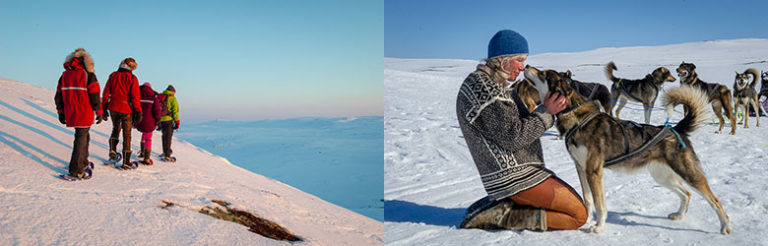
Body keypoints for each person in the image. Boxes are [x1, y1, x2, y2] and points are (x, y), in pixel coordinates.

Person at [456, 30, 587, 231]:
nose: (522, 66)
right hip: (512, 178)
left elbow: (519, 121)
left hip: (520, 173)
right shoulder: (484, 89)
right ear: (501, 59)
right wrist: (546, 112)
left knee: (576, 207)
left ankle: (504, 204)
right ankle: (504, 217)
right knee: (578, 216)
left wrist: (548, 104)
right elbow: (513, 137)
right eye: (518, 60)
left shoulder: (493, 84)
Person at [54, 48, 104, 179]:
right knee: (81, 138)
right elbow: (95, 95)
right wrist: (99, 111)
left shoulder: (65, 75)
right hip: (84, 111)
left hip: (71, 112)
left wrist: (60, 112)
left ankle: (83, 162)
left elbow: (58, 95)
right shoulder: (88, 75)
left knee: (84, 136)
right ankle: (76, 169)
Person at [100, 57, 142, 169]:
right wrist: (138, 111)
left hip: (113, 107)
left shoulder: (113, 75)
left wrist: (103, 106)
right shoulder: (132, 78)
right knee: (127, 135)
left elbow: (106, 92)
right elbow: (135, 97)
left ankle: (112, 152)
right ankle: (126, 162)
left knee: (115, 128)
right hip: (126, 109)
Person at [135, 82, 161, 165]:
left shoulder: (137, 96)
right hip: (149, 122)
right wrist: (158, 120)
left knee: (143, 133)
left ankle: (142, 152)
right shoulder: (153, 97)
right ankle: (146, 159)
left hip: (139, 122)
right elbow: (157, 110)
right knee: (148, 138)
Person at [159, 85, 179, 162]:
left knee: (164, 136)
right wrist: (177, 122)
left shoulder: (161, 96)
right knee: (168, 137)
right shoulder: (172, 98)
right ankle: (167, 155)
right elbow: (175, 111)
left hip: (161, 120)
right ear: (173, 92)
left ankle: (165, 152)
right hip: (168, 120)